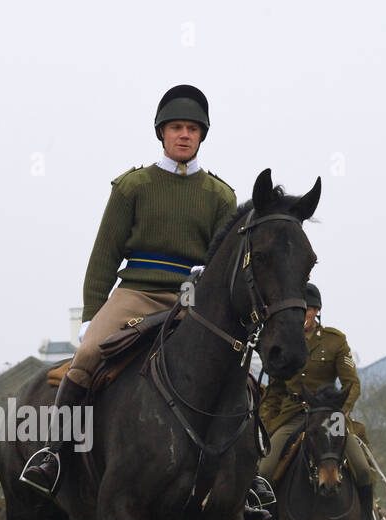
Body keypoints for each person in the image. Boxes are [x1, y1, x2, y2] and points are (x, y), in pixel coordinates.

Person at [20, 84, 236, 496]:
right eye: (176, 127)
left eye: (192, 128)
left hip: (191, 302)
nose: (184, 135)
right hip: (136, 292)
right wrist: (90, 317)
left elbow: (222, 265)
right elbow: (104, 256)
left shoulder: (221, 196)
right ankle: (54, 455)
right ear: (161, 133)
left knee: (239, 371)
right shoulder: (132, 187)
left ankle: (246, 476)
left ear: (202, 135)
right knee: (85, 356)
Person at [256, 283, 386, 520]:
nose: (304, 315)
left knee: (362, 468)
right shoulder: (282, 341)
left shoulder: (335, 341)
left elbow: (352, 383)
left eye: (308, 310)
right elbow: (274, 391)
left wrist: (344, 410)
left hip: (329, 417)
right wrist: (266, 425)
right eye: (300, 310)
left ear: (316, 311)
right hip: (292, 415)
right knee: (264, 469)